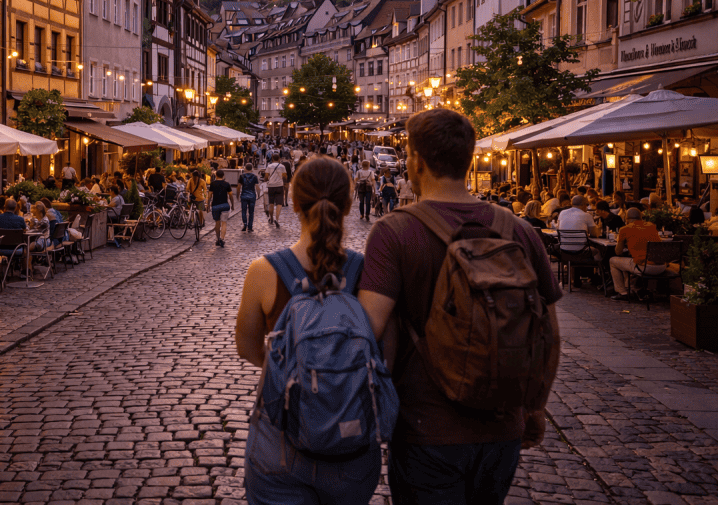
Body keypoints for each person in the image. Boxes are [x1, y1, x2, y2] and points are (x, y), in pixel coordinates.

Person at [356, 109, 562, 505]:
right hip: (502, 426)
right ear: (468, 159)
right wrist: (534, 406)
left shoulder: (395, 231)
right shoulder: (517, 229)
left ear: (415, 160)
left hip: (425, 426)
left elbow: (369, 328)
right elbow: (548, 333)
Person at [236, 156, 381, 504]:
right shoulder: (368, 274)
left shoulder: (264, 271)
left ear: (294, 202)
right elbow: (382, 349)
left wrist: (297, 368)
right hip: (351, 442)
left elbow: (247, 349)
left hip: (280, 441)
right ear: (348, 205)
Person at [609, 207, 666, 301]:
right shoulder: (651, 226)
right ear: (641, 218)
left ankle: (622, 292)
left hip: (645, 267)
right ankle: (635, 288)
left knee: (613, 261)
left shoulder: (624, 229)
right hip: (661, 266)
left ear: (626, 219)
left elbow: (618, 252)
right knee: (628, 262)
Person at [208, 170, 234, 248]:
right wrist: (232, 204)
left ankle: (218, 239)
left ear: (216, 175)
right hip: (225, 205)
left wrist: (207, 205)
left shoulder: (213, 184)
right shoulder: (227, 184)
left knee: (217, 223)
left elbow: (209, 196)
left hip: (215, 205)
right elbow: (231, 195)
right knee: (224, 223)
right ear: (223, 176)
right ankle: (222, 239)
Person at [263, 154, 288, 229]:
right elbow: (285, 176)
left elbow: (266, 177)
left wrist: (267, 180)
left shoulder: (269, 166)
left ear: (272, 158)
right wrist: (285, 183)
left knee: (271, 203)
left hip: (271, 186)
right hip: (279, 186)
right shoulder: (282, 166)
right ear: (279, 158)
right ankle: (277, 219)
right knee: (279, 204)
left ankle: (271, 218)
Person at [237, 163, 261, 232]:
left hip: (244, 195)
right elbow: (257, 187)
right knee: (251, 212)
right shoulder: (254, 176)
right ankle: (250, 226)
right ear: (251, 168)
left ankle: (245, 224)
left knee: (243, 211)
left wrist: (238, 196)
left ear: (245, 168)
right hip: (252, 196)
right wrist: (259, 195)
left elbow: (238, 187)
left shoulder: (242, 176)